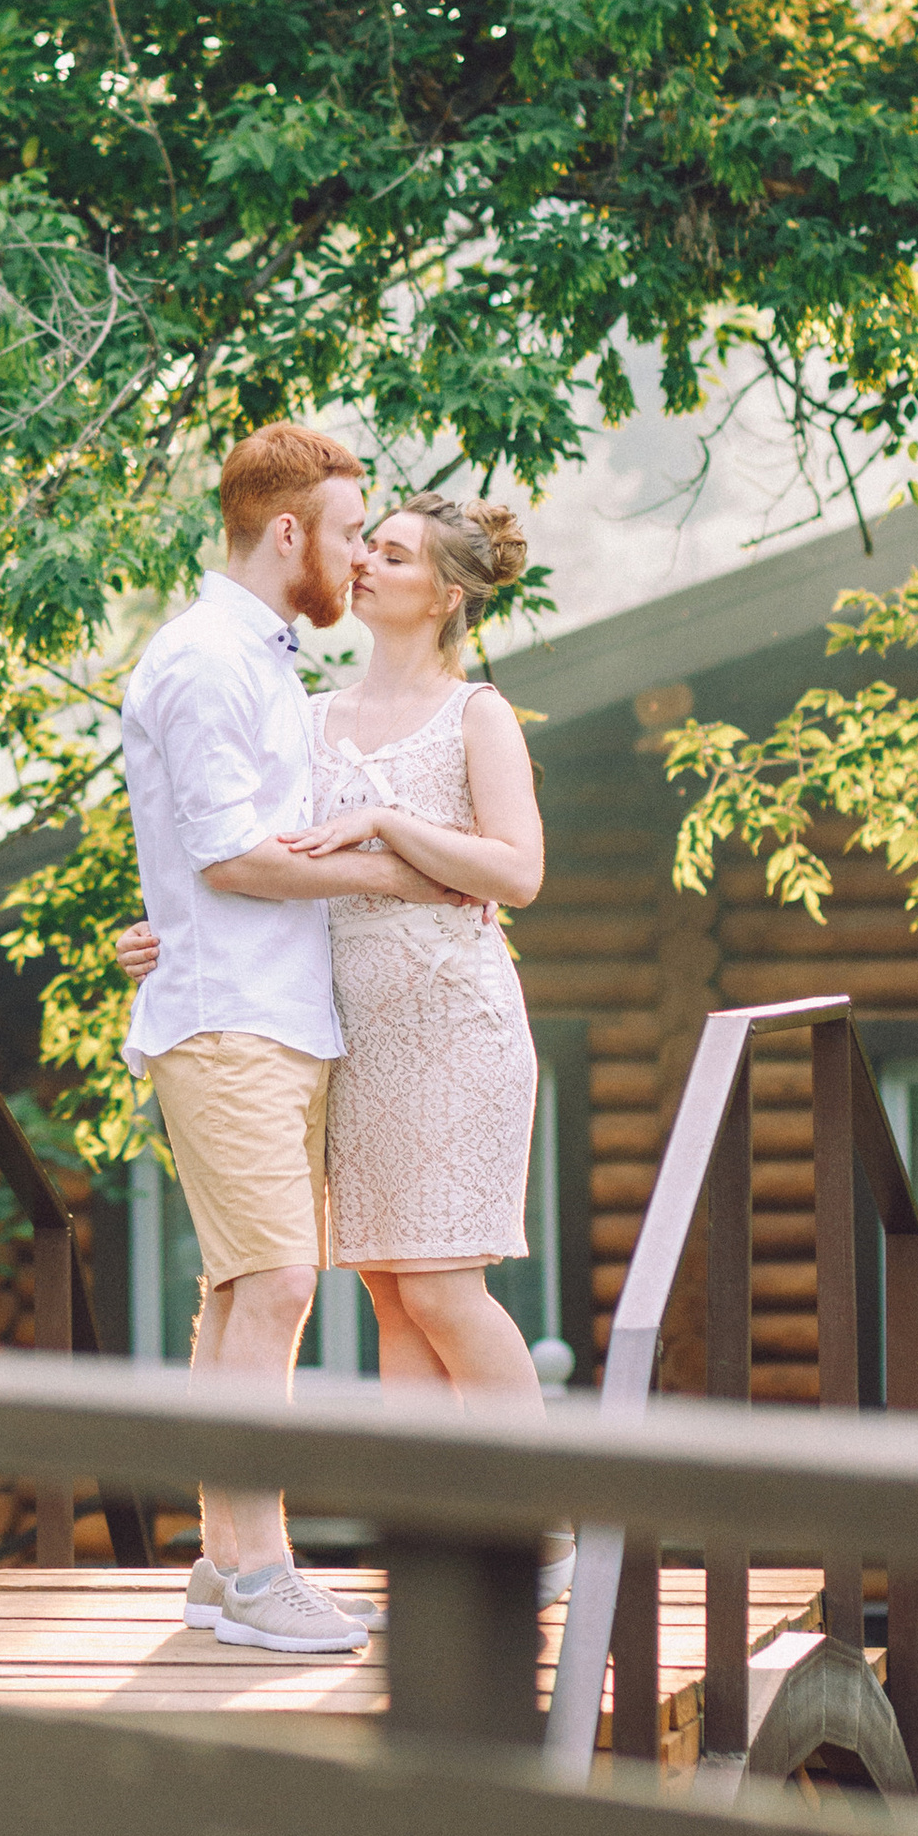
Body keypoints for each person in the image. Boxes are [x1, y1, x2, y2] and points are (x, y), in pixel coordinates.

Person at [119, 487, 568, 1603]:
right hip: (343, 1024)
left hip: (452, 1018)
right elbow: (251, 858)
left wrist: (382, 822)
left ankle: (542, 1530)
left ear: (446, 595)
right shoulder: (311, 713)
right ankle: (434, 1540)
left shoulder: (479, 716)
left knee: (444, 1285)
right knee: (384, 1290)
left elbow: (514, 873)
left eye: (394, 553)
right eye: (365, 543)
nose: (362, 561)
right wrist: (167, 924)